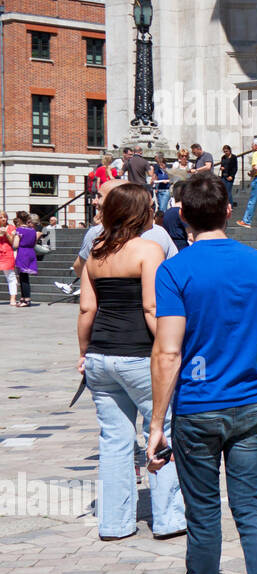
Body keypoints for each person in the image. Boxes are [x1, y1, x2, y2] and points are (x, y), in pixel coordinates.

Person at [144, 172, 257, 574]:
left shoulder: (176, 270)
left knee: (204, 515)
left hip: (199, 409)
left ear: (182, 214)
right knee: (251, 509)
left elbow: (168, 354)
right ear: (229, 210)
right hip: (251, 404)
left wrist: (155, 425)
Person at [77, 184, 187, 542]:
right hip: (139, 355)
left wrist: (83, 352)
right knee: (162, 430)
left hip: (100, 354)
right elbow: (152, 307)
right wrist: (172, 347)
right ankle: (169, 518)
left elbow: (86, 309)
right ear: (142, 213)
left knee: (113, 439)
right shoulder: (149, 250)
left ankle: (114, 523)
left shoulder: (95, 251)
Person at [9, 213, 39, 307]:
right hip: (31, 252)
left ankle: (26, 299)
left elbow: (15, 245)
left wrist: (13, 236)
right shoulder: (33, 231)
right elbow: (34, 243)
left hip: (23, 253)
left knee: (23, 277)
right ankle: (23, 298)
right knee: (24, 276)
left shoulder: (19, 230)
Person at [161, 181, 190, 253]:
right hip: (183, 247)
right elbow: (191, 235)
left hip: (170, 247)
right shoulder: (182, 213)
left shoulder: (167, 213)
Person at [0, 212, 16, 306]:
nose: (3, 219)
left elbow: (12, 242)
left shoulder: (11, 228)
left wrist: (6, 233)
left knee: (10, 276)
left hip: (7, 253)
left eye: (5, 217)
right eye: (1, 217)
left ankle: (12, 298)